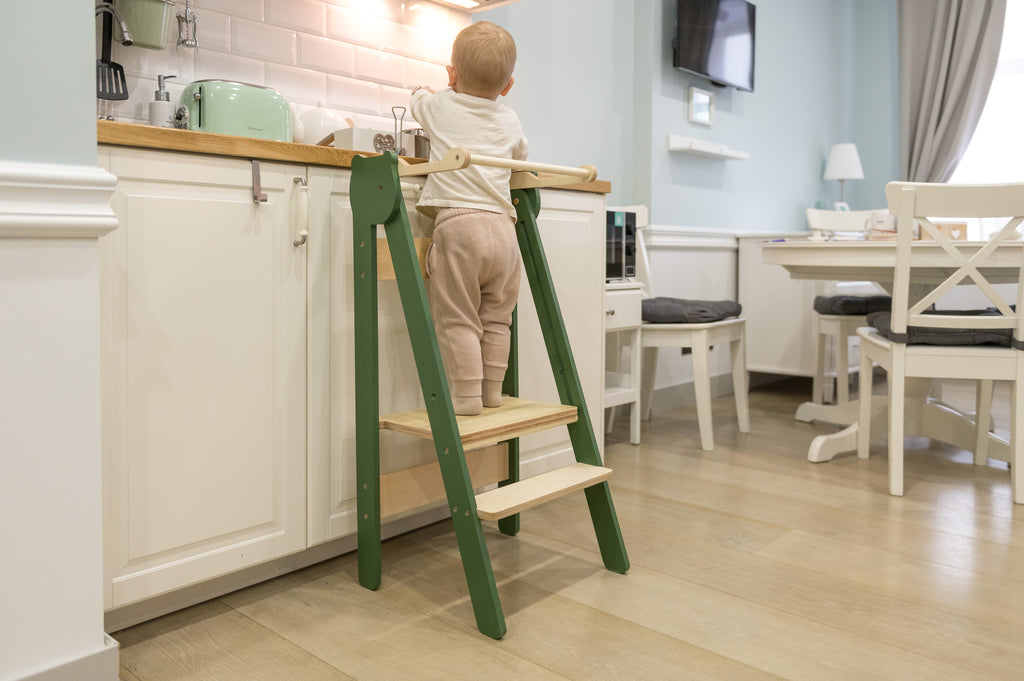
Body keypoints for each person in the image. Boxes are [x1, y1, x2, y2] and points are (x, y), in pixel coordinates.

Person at [409, 21, 529, 416]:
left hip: (460, 226)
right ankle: (493, 392)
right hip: (504, 231)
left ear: (451, 74)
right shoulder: (510, 119)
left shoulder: (441, 104)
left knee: (458, 318)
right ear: (507, 86)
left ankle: (466, 397)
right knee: (497, 319)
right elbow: (520, 154)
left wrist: (422, 90)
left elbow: (417, 102)